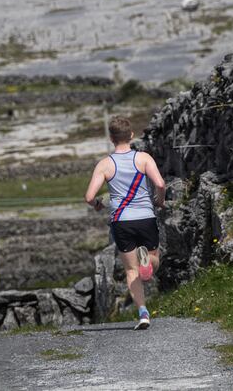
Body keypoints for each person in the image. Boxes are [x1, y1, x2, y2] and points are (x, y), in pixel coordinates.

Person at [84, 115, 166, 330]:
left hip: (121, 221)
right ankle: (148, 263)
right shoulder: (144, 158)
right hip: (145, 217)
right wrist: (160, 200)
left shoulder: (105, 164)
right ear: (131, 135)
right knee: (153, 257)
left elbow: (89, 197)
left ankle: (143, 313)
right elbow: (160, 183)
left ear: (111, 138)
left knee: (131, 271)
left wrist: (98, 204)